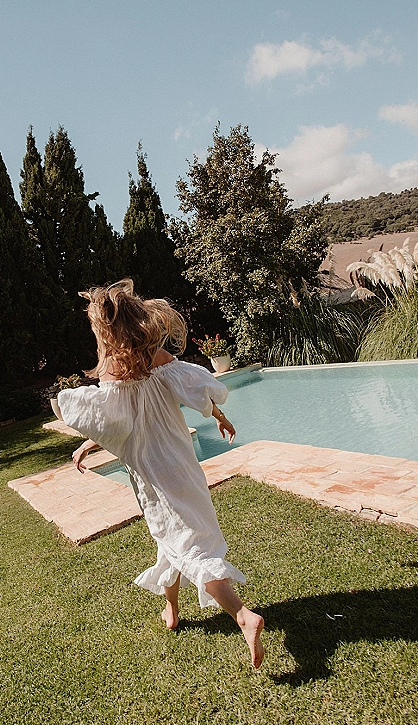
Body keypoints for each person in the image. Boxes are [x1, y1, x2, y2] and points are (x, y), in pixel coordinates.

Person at [57, 279, 264, 668]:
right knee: (173, 535)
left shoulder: (113, 370)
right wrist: (219, 414)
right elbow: (197, 389)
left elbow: (114, 421)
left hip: (151, 471)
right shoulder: (158, 358)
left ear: (105, 331)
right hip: (181, 463)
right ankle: (172, 611)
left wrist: (88, 441)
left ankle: (242, 615)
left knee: (187, 542)